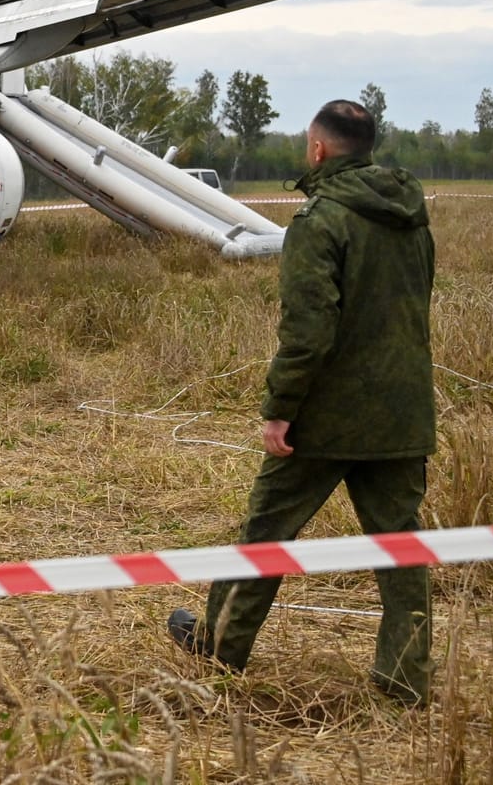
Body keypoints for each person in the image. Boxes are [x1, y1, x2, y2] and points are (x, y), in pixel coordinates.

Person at [166, 99, 436, 705]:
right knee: (401, 546)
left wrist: (280, 407)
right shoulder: (411, 215)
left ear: (318, 150)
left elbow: (310, 329)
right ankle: (405, 677)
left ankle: (219, 644)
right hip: (403, 410)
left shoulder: (320, 219)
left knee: (267, 531)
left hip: (327, 416)